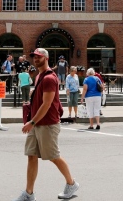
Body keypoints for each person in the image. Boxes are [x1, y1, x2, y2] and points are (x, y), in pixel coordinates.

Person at [13, 48, 78, 201]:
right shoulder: (38, 76)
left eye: (39, 57)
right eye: (34, 57)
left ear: (46, 58)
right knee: (31, 156)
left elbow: (47, 104)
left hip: (47, 123)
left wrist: (32, 122)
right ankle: (29, 193)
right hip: (36, 123)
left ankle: (71, 183)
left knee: (53, 156)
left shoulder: (49, 78)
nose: (36, 59)